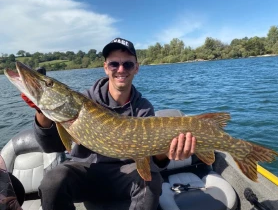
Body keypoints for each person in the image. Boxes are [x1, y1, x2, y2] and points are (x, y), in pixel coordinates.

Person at [22, 37, 196, 210]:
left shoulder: (143, 108)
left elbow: (151, 160)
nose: (120, 69)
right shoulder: (84, 100)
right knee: (52, 181)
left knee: (151, 181)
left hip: (126, 176)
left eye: (127, 64)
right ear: (106, 67)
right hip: (87, 173)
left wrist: (167, 152)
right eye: (114, 64)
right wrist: (41, 111)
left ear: (136, 68)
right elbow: (51, 145)